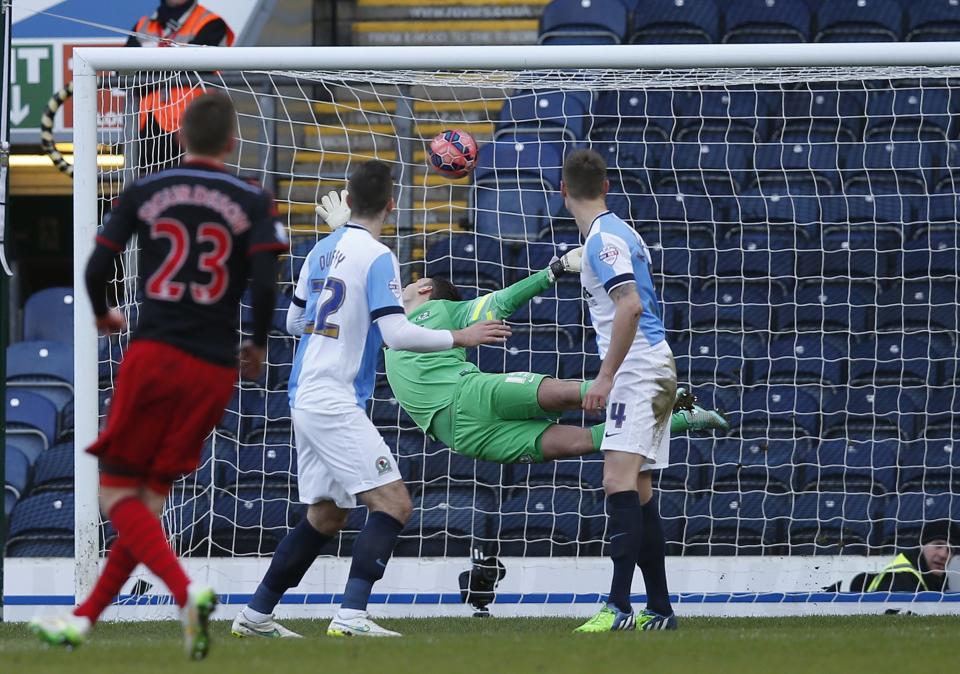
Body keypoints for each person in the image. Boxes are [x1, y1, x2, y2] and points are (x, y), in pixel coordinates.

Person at [29, 93, 285, 658]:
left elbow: (97, 266)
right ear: (233, 141)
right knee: (145, 504)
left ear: (178, 137)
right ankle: (83, 622)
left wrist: (101, 313)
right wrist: (259, 343)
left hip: (157, 353)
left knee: (116, 493)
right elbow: (267, 282)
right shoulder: (254, 198)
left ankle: (184, 590)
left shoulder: (145, 189)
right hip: (215, 366)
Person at [231, 160, 510, 639]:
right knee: (394, 503)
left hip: (303, 392)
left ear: (348, 198)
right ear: (391, 203)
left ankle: (255, 615)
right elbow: (397, 334)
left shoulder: (319, 248)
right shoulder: (379, 256)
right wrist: (461, 336)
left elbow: (293, 324)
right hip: (335, 395)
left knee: (326, 514)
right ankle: (351, 615)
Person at [309, 190, 727, 467]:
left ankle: (656, 391)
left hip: (470, 392)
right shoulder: (386, 319)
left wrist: (554, 270)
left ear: (424, 288)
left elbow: (503, 300)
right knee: (582, 443)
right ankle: (684, 417)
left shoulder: (442, 312)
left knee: (568, 395)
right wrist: (346, 232)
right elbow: (353, 282)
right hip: (462, 435)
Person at [561, 149, 678, 633]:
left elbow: (629, 306)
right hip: (650, 364)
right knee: (639, 489)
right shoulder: (616, 232)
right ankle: (660, 609)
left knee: (616, 481)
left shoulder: (605, 240)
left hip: (637, 368)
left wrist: (606, 376)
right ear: (606, 186)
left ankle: (618, 607)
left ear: (562, 191)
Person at [127, 0, 235, 172]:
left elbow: (198, 71)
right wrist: (173, 65)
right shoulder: (142, 25)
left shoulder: (211, 22)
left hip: (195, 127)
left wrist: (149, 69)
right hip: (148, 130)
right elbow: (125, 78)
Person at [863, 521, 956, 593]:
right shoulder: (901, 578)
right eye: (938, 545)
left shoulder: (934, 580)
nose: (943, 555)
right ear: (921, 546)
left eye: (950, 550)